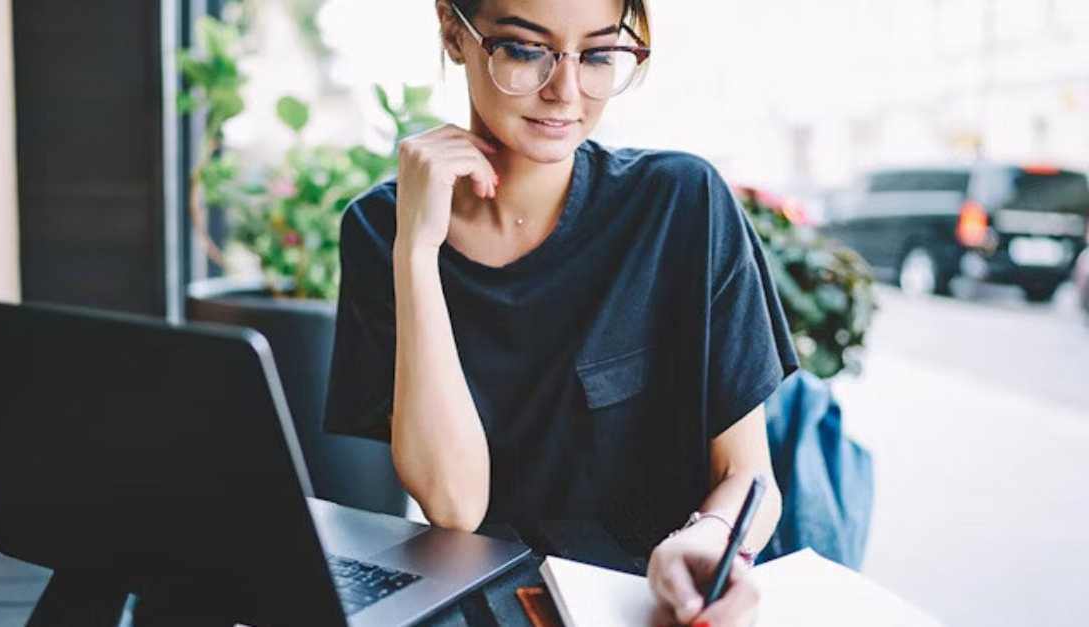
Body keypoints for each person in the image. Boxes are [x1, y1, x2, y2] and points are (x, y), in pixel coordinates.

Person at [324, 1, 799, 625]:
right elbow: (455, 505)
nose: (565, 92)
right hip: (497, 609)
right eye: (524, 50)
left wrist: (706, 539)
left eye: (600, 55)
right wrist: (416, 252)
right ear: (453, 32)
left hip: (654, 604)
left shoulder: (680, 203)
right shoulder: (379, 228)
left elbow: (747, 476)